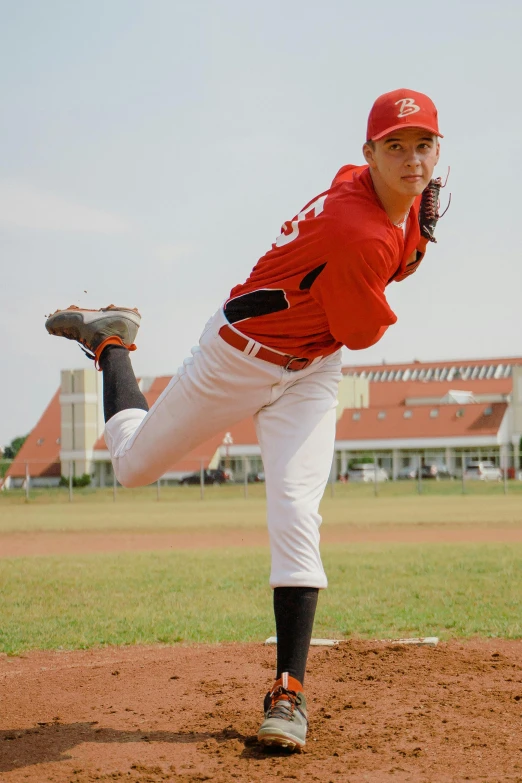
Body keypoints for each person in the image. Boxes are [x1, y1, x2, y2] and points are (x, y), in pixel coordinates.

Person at [46, 88, 443, 752]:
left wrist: (411, 243)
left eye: (423, 145)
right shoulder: (363, 233)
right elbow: (363, 324)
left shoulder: (372, 199)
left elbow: (363, 286)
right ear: (368, 153)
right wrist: (414, 251)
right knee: (134, 466)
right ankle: (110, 342)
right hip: (238, 356)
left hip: (310, 369)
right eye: (394, 147)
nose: (411, 160)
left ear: (439, 150)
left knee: (295, 509)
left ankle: (288, 689)